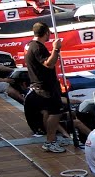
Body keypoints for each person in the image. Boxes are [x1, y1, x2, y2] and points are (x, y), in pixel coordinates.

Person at [24, 23, 65, 153]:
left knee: (48, 112)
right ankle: (50, 141)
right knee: (55, 112)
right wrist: (56, 49)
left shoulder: (31, 45)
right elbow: (49, 64)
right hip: (45, 87)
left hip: (40, 85)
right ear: (46, 33)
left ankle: (50, 139)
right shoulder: (37, 48)